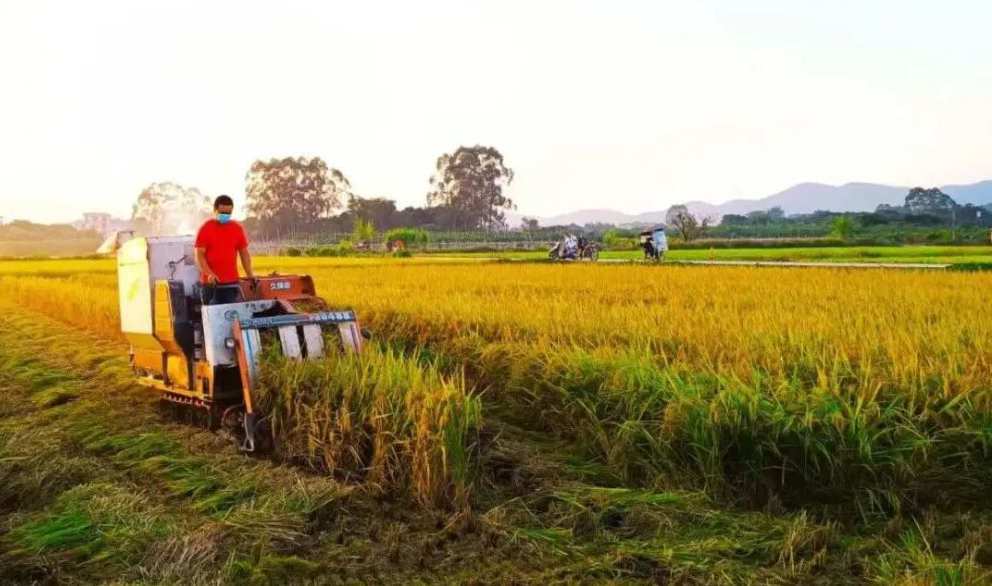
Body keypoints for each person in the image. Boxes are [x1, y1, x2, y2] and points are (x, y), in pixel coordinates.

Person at [195, 195, 256, 305]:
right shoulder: (205, 228)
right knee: (213, 316)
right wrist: (209, 274)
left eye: (228, 213)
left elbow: (244, 254)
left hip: (231, 283)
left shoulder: (237, 228)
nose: (225, 216)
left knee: (232, 315)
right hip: (211, 284)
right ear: (215, 210)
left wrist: (250, 274)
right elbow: (200, 256)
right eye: (222, 213)